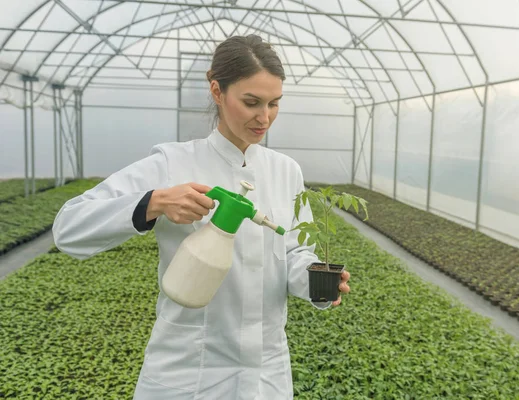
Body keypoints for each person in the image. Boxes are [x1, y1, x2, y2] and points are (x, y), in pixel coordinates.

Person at [52, 34, 351, 400]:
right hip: (187, 371)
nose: (265, 117)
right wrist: (154, 202)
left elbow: (293, 252)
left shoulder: (286, 171)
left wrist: (316, 281)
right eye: (251, 102)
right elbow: (68, 227)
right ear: (216, 91)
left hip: (265, 376)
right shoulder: (172, 163)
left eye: (274, 104)